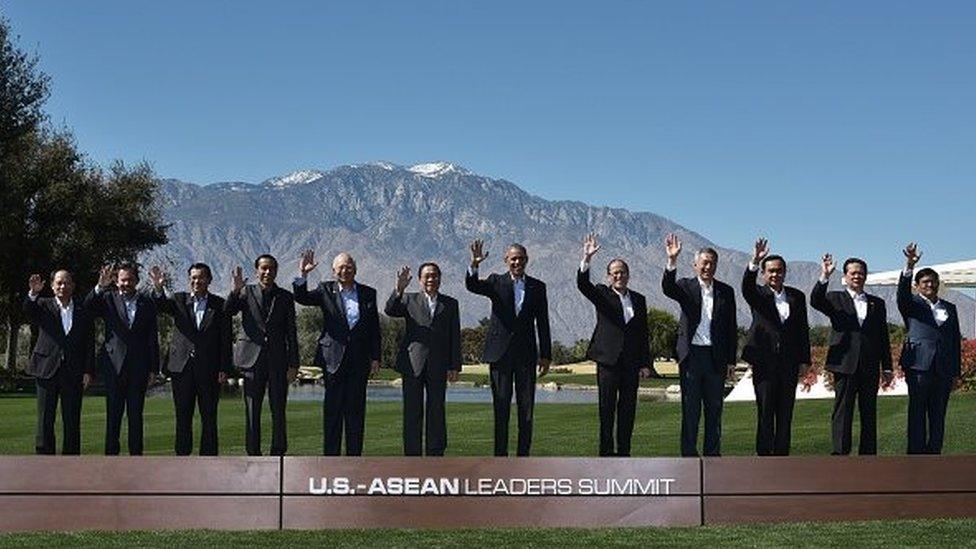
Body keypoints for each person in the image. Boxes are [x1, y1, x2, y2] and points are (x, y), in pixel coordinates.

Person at [466, 240, 551, 456]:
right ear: (506, 261)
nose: (517, 262)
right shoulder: (496, 282)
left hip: (526, 356)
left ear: (527, 260)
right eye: (513, 258)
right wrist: (474, 265)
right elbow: (472, 285)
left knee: (526, 410)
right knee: (501, 408)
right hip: (499, 355)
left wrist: (546, 355)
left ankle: (523, 457)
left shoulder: (538, 287)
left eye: (521, 258)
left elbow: (543, 322)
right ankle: (500, 459)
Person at [294, 250, 381, 456]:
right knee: (332, 412)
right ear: (334, 271)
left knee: (356, 411)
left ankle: (354, 458)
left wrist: (375, 357)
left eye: (349, 266)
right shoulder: (325, 289)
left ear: (356, 269)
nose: (345, 270)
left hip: (359, 360)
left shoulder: (369, 293)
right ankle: (330, 460)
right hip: (332, 359)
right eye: (341, 267)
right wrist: (303, 275)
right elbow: (302, 298)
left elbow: (374, 329)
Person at [661, 233, 737, 457]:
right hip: (691, 357)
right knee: (691, 410)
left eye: (713, 263)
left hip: (716, 358)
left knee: (715, 410)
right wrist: (671, 260)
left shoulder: (726, 291)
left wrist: (731, 360)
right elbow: (667, 288)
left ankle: (713, 456)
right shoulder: (685, 286)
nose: (708, 267)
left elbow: (731, 328)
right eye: (705, 263)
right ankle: (689, 457)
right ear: (695, 265)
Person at [576, 234, 652, 457]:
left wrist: (645, 363)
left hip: (631, 364)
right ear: (609, 277)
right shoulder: (601, 293)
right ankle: (606, 455)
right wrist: (586, 258)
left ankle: (625, 454)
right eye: (615, 273)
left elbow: (643, 333)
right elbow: (582, 284)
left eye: (622, 272)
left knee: (628, 411)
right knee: (606, 410)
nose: (619, 276)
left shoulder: (639, 299)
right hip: (608, 362)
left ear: (628, 275)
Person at [811, 253, 893, 455]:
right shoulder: (835, 298)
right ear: (845, 276)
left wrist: (888, 366)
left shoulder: (877, 303)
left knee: (869, 412)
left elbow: (883, 336)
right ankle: (840, 454)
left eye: (861, 273)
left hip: (869, 365)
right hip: (844, 364)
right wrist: (824, 276)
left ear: (866, 276)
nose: (857, 276)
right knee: (843, 412)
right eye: (853, 273)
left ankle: (868, 455)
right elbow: (815, 300)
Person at [149, 263, 232, 455]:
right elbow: (160, 305)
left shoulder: (219, 305)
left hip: (209, 370)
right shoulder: (179, 300)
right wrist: (159, 287)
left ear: (209, 280)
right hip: (181, 369)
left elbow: (225, 339)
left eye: (201, 277)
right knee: (183, 417)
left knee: (209, 418)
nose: (197, 281)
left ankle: (209, 460)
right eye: (193, 278)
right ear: (189, 280)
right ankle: (183, 461)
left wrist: (224, 367)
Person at [740, 238, 811, 456]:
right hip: (764, 362)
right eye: (770, 271)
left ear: (785, 272)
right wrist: (754, 261)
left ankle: (782, 457)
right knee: (765, 412)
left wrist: (804, 360)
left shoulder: (796, 296)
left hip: (789, 363)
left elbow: (802, 329)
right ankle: (764, 457)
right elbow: (746, 288)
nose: (775, 274)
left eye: (779, 271)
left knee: (785, 412)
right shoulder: (758, 294)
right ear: (763, 273)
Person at [384, 262, 461, 456]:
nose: (431, 279)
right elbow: (390, 310)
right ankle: (412, 454)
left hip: (439, 364)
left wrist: (454, 365)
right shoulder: (409, 300)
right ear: (419, 280)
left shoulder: (451, 303)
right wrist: (399, 290)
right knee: (412, 412)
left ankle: (436, 453)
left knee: (436, 411)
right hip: (412, 364)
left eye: (434, 275)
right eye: (427, 276)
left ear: (440, 278)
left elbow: (454, 336)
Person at [226, 254, 299, 456]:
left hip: (278, 360)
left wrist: (294, 364)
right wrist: (234, 291)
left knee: (278, 408)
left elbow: (291, 331)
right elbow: (228, 311)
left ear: (276, 271)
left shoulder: (285, 297)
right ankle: (253, 452)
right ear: (257, 270)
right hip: (251, 359)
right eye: (263, 268)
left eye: (271, 269)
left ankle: (278, 451)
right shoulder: (245, 293)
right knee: (252, 409)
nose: (267, 272)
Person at [86, 263, 159, 455]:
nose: (125, 283)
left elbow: (152, 337)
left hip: (139, 368)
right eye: (122, 280)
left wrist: (154, 369)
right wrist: (100, 286)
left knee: (136, 416)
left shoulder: (147, 303)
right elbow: (87, 307)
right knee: (113, 416)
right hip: (114, 366)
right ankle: (111, 459)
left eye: (129, 280)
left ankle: (136, 459)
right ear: (116, 281)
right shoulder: (108, 299)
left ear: (136, 281)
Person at [898, 243, 961, 454]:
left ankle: (935, 454)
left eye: (934, 282)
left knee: (938, 414)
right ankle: (915, 456)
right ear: (917, 285)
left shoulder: (949, 308)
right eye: (925, 282)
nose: (930, 285)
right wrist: (909, 266)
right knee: (917, 412)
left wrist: (956, 372)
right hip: (918, 365)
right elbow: (902, 293)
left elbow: (954, 341)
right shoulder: (911, 304)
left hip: (943, 368)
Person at [23, 270, 95, 455]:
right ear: (53, 286)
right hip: (46, 370)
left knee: (72, 420)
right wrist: (33, 293)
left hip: (73, 372)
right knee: (45, 420)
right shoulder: (42, 305)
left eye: (67, 283)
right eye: (59, 283)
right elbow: (28, 310)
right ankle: (45, 463)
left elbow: (89, 342)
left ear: (73, 286)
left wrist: (88, 371)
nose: (63, 286)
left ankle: (71, 463)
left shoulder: (82, 309)